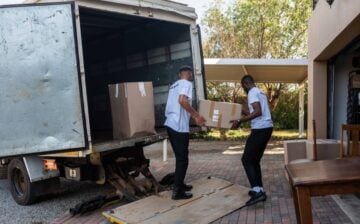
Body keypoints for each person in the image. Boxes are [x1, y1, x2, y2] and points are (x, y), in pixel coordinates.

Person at [164, 65, 206, 200]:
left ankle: (180, 184)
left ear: (179, 74)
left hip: (170, 124)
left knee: (180, 157)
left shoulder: (173, 85)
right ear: (189, 74)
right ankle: (177, 192)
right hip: (178, 126)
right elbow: (182, 100)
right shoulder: (186, 83)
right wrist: (196, 115)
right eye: (191, 74)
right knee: (183, 160)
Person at [231, 74, 273, 206]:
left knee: (247, 159)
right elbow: (254, 111)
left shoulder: (252, 92)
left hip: (260, 129)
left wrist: (239, 120)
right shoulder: (260, 92)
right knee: (254, 160)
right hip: (266, 128)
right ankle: (259, 189)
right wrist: (241, 110)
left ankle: (257, 191)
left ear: (245, 84)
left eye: (243, 86)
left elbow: (258, 111)